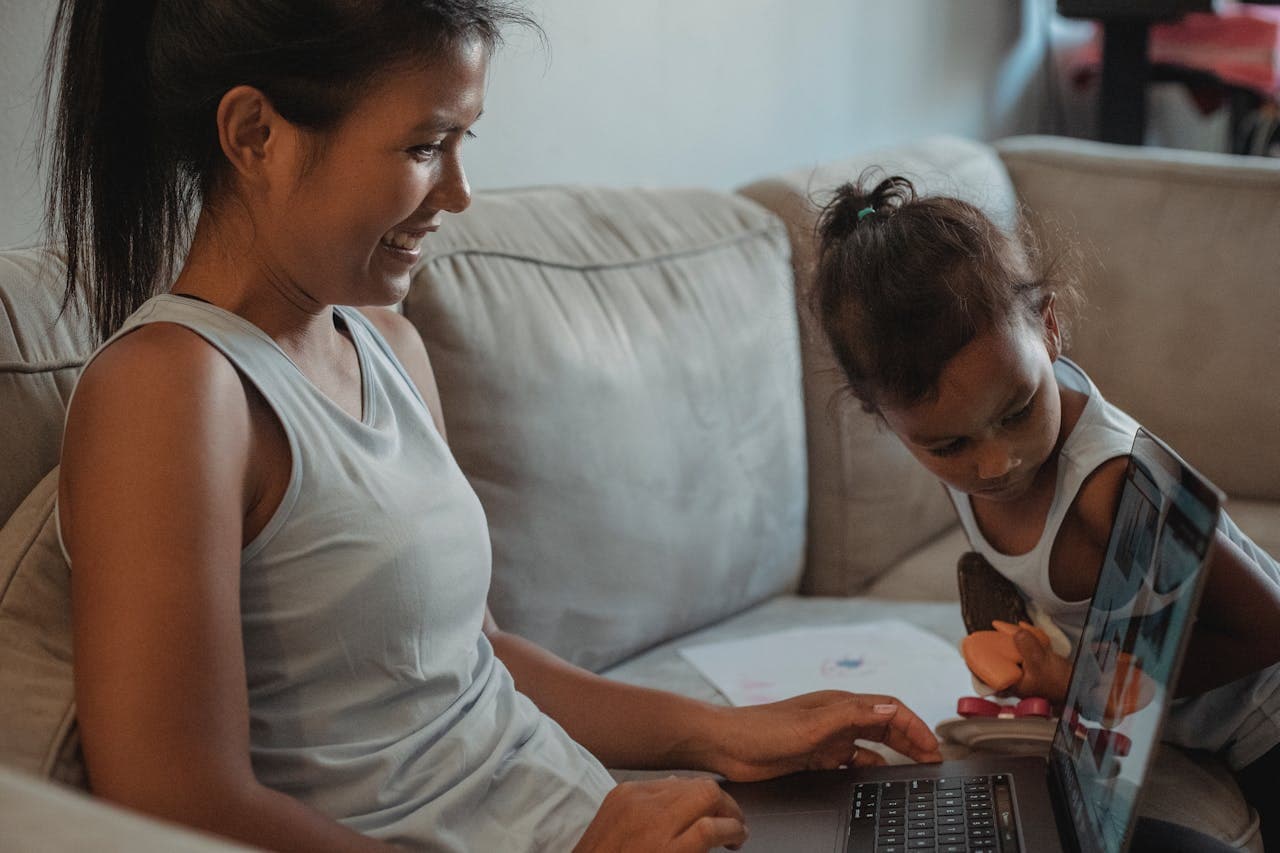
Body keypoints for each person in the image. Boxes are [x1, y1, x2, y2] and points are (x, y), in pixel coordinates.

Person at [42, 3, 944, 851]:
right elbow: (175, 809)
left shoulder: (387, 342)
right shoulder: (173, 390)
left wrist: (729, 733)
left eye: (463, 140)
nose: (462, 192)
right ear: (255, 135)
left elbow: (476, 660)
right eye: (427, 145)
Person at [811, 173, 1280, 847]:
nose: (995, 462)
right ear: (881, 417)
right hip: (1197, 728)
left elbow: (1269, 623)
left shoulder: (1111, 485)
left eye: (1017, 410)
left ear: (1050, 326)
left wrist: (1085, 687)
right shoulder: (968, 463)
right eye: (949, 444)